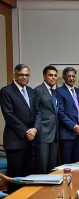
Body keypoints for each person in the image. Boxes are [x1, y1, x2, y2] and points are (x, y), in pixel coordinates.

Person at [0, 64, 39, 193]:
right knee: (15, 177)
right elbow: (9, 116)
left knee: (29, 176)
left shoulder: (32, 91)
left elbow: (38, 112)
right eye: (21, 75)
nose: (24, 77)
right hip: (15, 141)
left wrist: (34, 129)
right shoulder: (6, 91)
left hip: (31, 141)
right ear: (15, 75)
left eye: (26, 75)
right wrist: (26, 132)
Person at [57, 67, 79, 164]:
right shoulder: (59, 91)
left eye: (73, 76)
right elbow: (60, 113)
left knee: (78, 163)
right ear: (64, 77)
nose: (71, 78)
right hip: (67, 134)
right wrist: (74, 126)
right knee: (67, 164)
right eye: (69, 76)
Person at [34, 65, 59, 174]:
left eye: (55, 75)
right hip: (43, 133)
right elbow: (36, 112)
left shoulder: (54, 92)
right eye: (50, 75)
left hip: (54, 133)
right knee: (42, 166)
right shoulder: (38, 91)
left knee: (52, 166)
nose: (53, 78)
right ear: (44, 77)